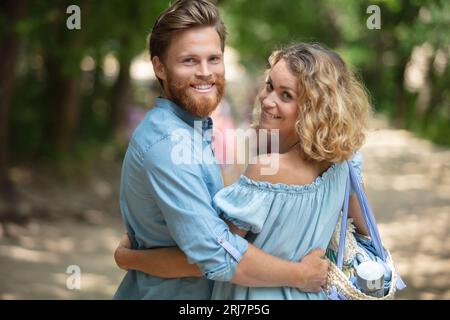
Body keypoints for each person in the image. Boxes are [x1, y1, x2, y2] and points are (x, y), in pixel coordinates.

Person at [115, 41, 372, 299]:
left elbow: (207, 259)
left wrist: (131, 258)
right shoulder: (346, 163)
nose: (268, 100)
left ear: (313, 109)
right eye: (270, 86)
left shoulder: (268, 171)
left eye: (286, 95)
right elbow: (367, 234)